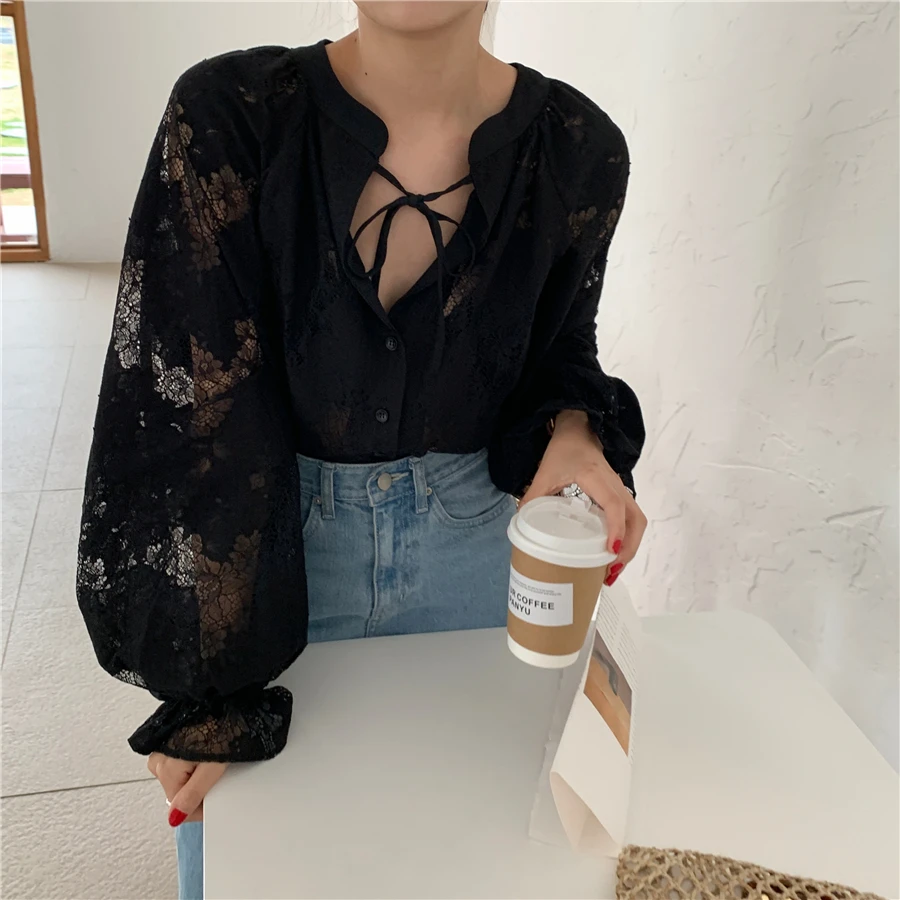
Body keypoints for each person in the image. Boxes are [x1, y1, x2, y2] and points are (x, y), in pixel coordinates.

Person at [75, 2, 647, 897]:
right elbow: (178, 403)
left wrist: (576, 433)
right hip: (266, 550)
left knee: (471, 861)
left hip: (484, 560)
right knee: (262, 871)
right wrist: (206, 681)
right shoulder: (230, 115)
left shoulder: (581, 150)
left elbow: (564, 343)